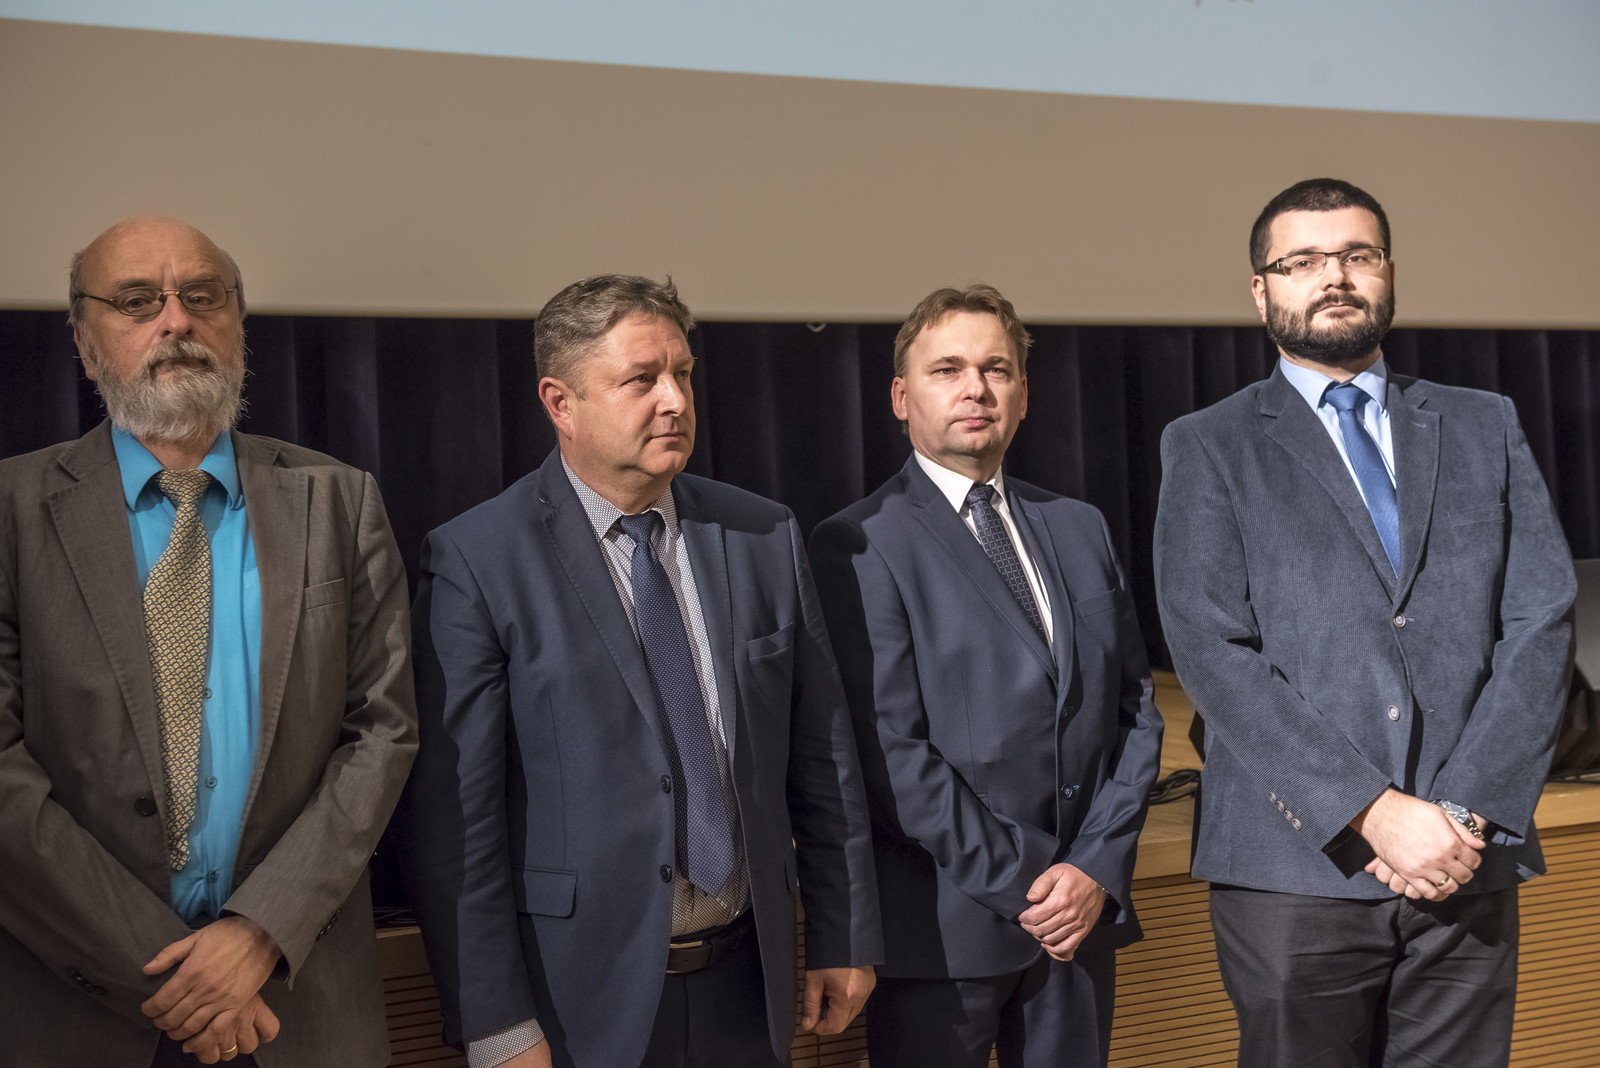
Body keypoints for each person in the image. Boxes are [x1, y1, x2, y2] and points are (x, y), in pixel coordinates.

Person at [403, 274, 882, 1068]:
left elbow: (822, 756)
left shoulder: (763, 535)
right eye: (642, 380)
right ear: (561, 402)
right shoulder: (478, 560)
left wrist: (844, 934)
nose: (675, 400)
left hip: (747, 986)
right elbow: (456, 823)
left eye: (683, 373)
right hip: (577, 1003)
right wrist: (496, 1025)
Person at [1153, 178, 1576, 1067]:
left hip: (1465, 861)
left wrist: (1462, 814)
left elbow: (1541, 618)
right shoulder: (1208, 443)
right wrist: (1374, 813)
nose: (1334, 276)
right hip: (1294, 869)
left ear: (1388, 271)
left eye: (1357, 255)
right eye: (1303, 261)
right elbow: (1213, 652)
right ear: (1261, 290)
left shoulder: (1484, 422)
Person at [0, 216, 419, 1067]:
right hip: (79, 1006)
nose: (176, 321)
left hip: (296, 1002)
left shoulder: (339, 500)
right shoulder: (11, 510)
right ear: (84, 344)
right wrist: (174, 971)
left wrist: (259, 932)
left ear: (237, 324)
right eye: (137, 301)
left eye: (202, 296)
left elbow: (382, 733)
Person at [808, 284, 1164, 1067]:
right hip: (946, 935)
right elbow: (891, 755)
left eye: (996, 369)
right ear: (901, 398)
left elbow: (1137, 712)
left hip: (1079, 929)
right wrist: (1040, 883)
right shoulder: (857, 543)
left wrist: (1095, 868)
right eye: (947, 370)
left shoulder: (1080, 526)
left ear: (1024, 395)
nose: (975, 388)